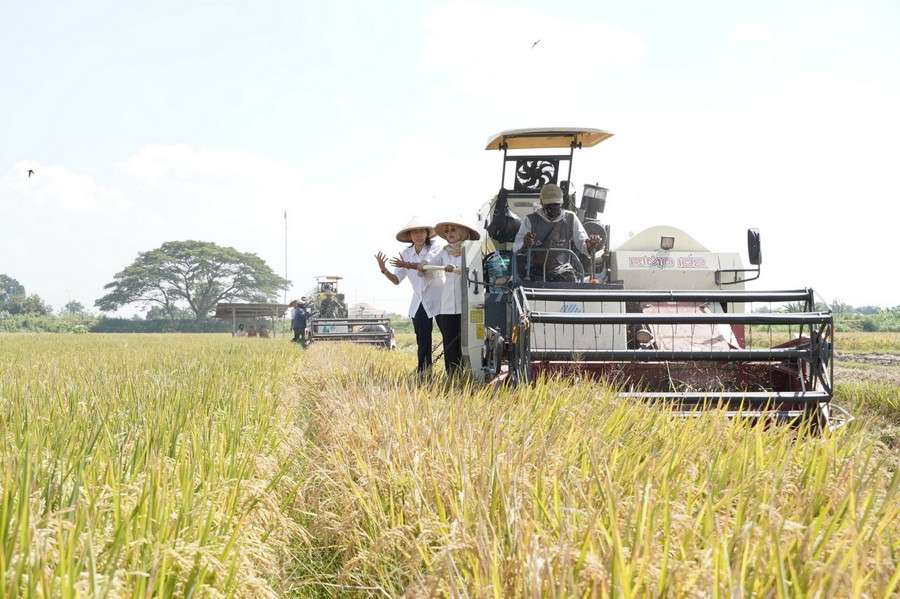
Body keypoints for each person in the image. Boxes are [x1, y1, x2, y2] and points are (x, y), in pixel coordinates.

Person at [375, 217, 443, 374]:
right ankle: (424, 372)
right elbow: (397, 280)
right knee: (422, 339)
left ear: (427, 234)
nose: (418, 235)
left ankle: (454, 371)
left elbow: (424, 266)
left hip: (439, 297)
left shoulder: (435, 248)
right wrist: (384, 270)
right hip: (420, 299)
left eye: (421, 231)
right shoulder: (406, 253)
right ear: (410, 236)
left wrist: (405, 265)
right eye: (414, 232)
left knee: (449, 335)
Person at [423, 217, 480, 377]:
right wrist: (423, 264)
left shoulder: (472, 249)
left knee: (467, 342)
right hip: (447, 304)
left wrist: (457, 268)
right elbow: (430, 264)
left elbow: (475, 269)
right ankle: (452, 376)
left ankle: (469, 376)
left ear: (462, 231)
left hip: (468, 301)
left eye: (453, 230)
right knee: (449, 342)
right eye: (447, 231)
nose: (449, 234)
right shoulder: (444, 251)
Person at [512, 183, 602, 281]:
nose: (553, 208)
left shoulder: (570, 218)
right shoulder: (530, 220)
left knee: (569, 279)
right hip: (534, 272)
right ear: (542, 203)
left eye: (556, 205)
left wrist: (590, 245)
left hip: (562, 272)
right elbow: (516, 247)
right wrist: (525, 243)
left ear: (561, 203)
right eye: (549, 205)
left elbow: (583, 244)